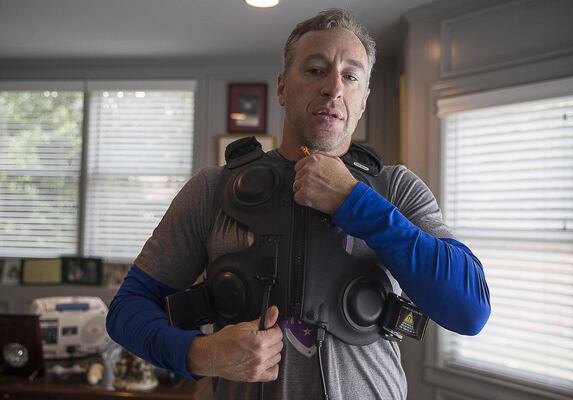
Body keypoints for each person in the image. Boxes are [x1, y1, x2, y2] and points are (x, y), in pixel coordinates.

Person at [107, 8, 490, 400]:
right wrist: (201, 353)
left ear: (362, 101)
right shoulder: (212, 189)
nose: (333, 88)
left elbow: (470, 309)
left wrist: (355, 202)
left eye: (350, 76)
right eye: (315, 70)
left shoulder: (397, 189)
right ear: (282, 87)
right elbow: (126, 311)